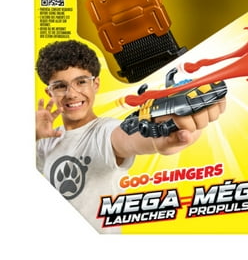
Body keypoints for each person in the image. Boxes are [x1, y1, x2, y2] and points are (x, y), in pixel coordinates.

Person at [35, 39, 224, 232]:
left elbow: (127, 139)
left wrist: (163, 133)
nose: (72, 94)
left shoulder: (104, 132)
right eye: (60, 86)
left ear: (96, 84)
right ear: (49, 92)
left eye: (81, 82)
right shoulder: (46, 140)